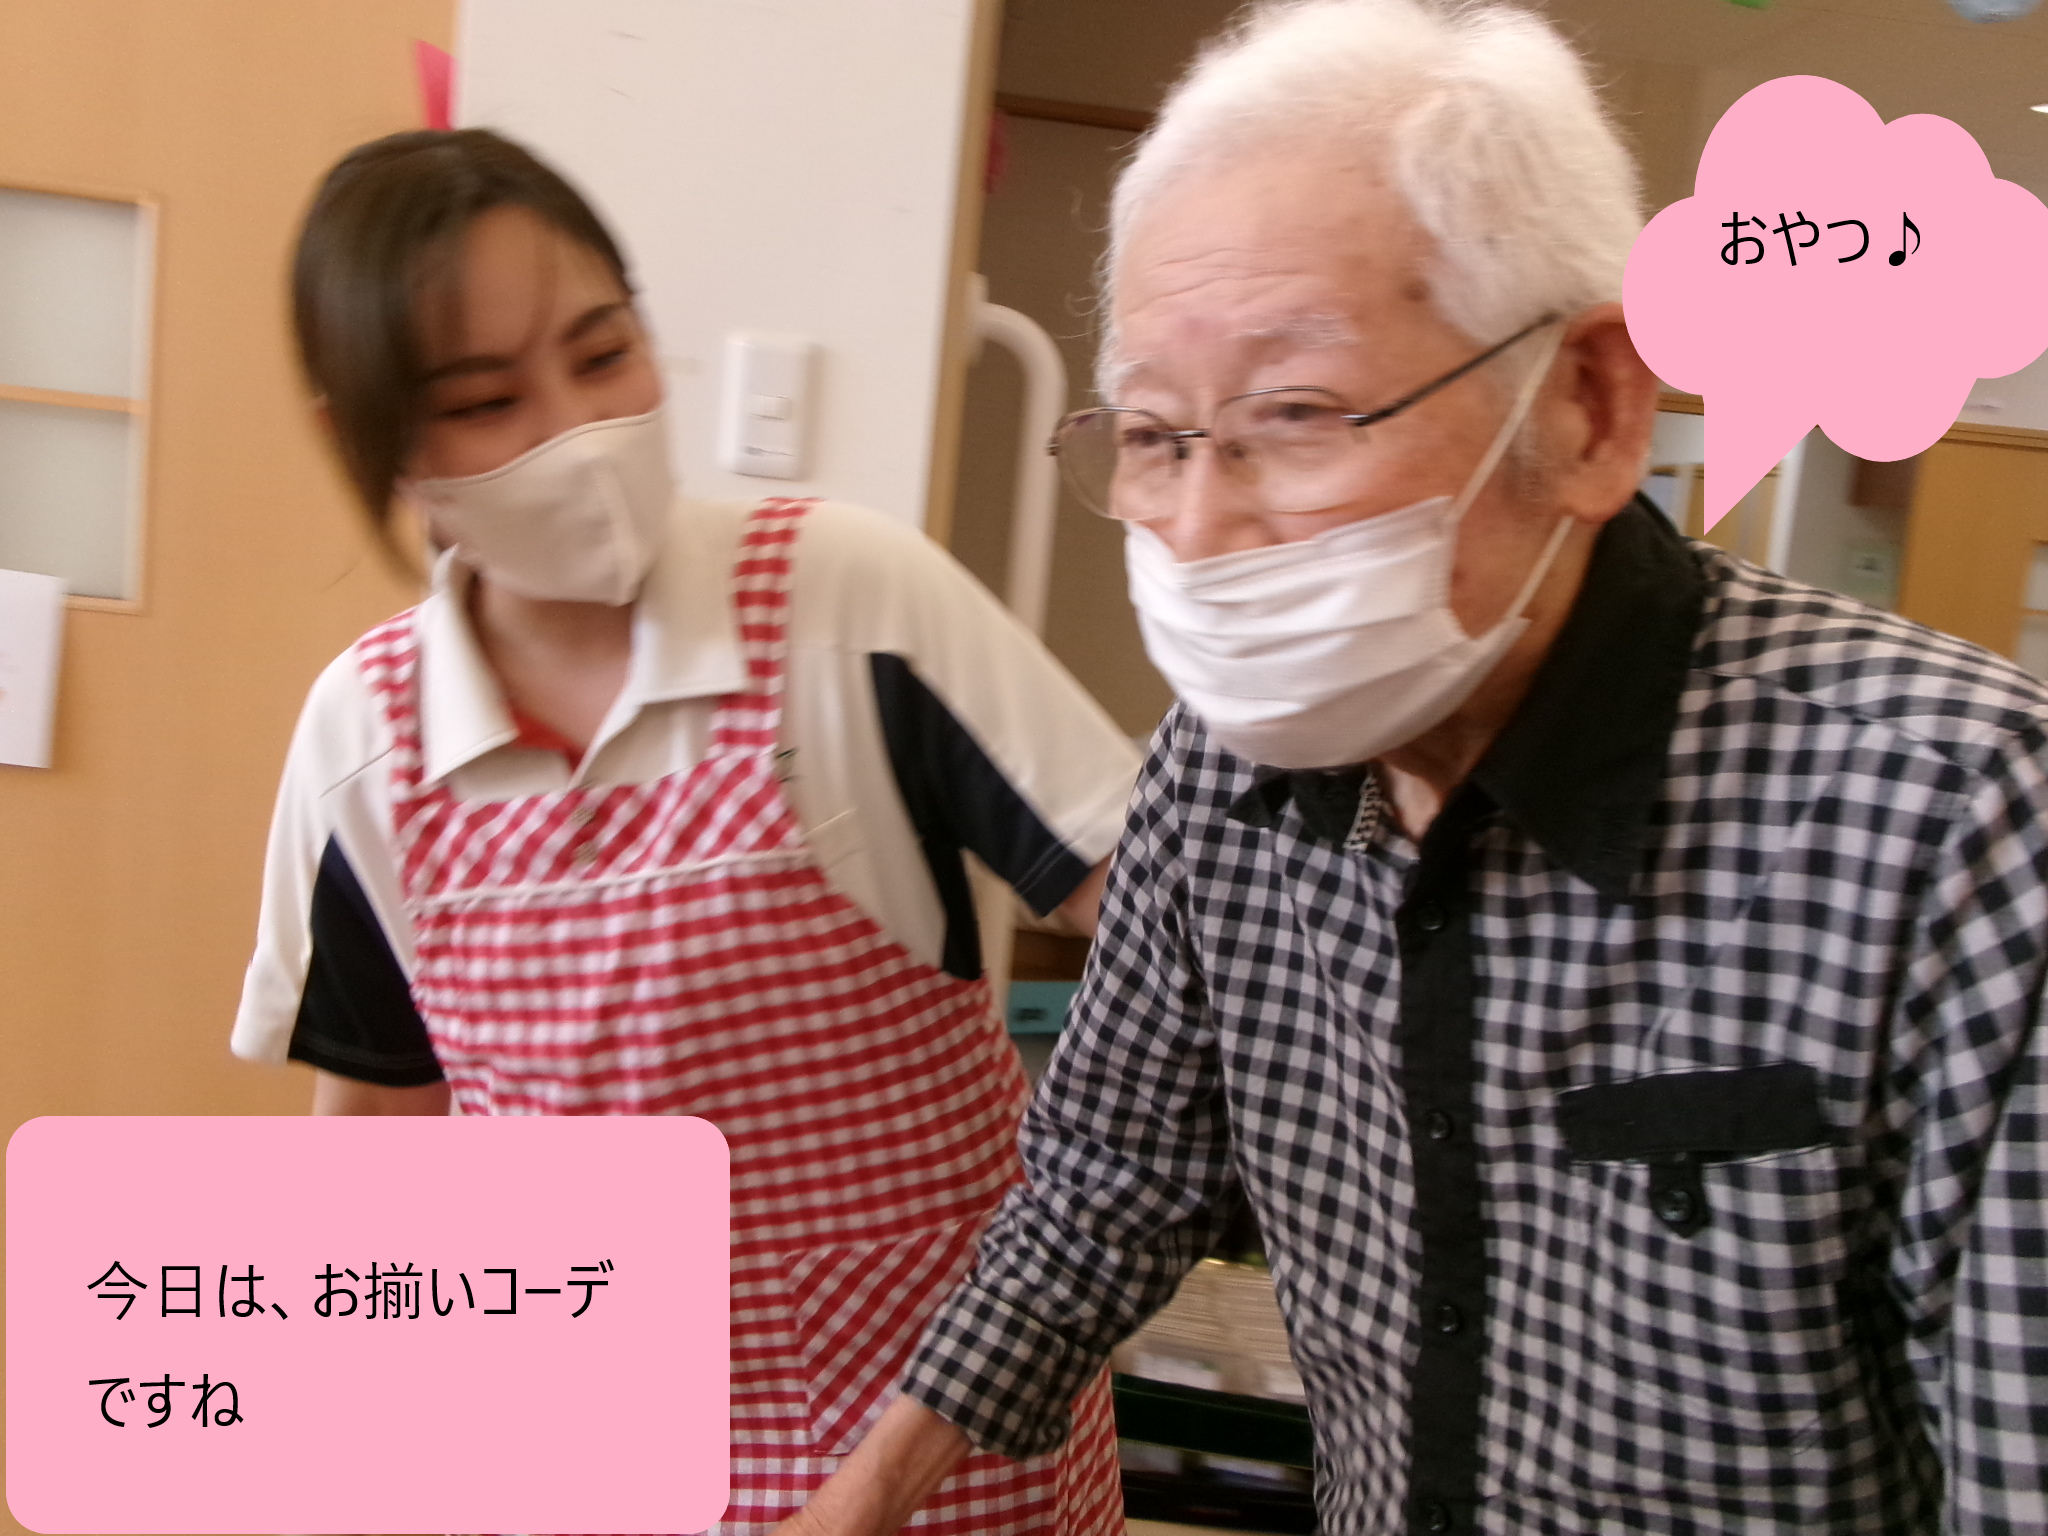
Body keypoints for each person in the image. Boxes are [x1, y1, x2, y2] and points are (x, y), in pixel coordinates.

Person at [774, 3, 2048, 1534]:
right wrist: (859, 1502)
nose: (1200, 531)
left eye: (1297, 416)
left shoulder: (1956, 819)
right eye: (1158, 435)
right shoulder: (1216, 782)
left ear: (1591, 409)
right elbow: (1108, 1182)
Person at [229, 127, 1135, 1534]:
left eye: (603, 355)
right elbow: (378, 1174)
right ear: (377, 441)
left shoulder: (845, 602)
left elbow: (1175, 946)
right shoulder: (367, 738)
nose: (577, 431)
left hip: (954, 1457)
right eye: (488, 400)